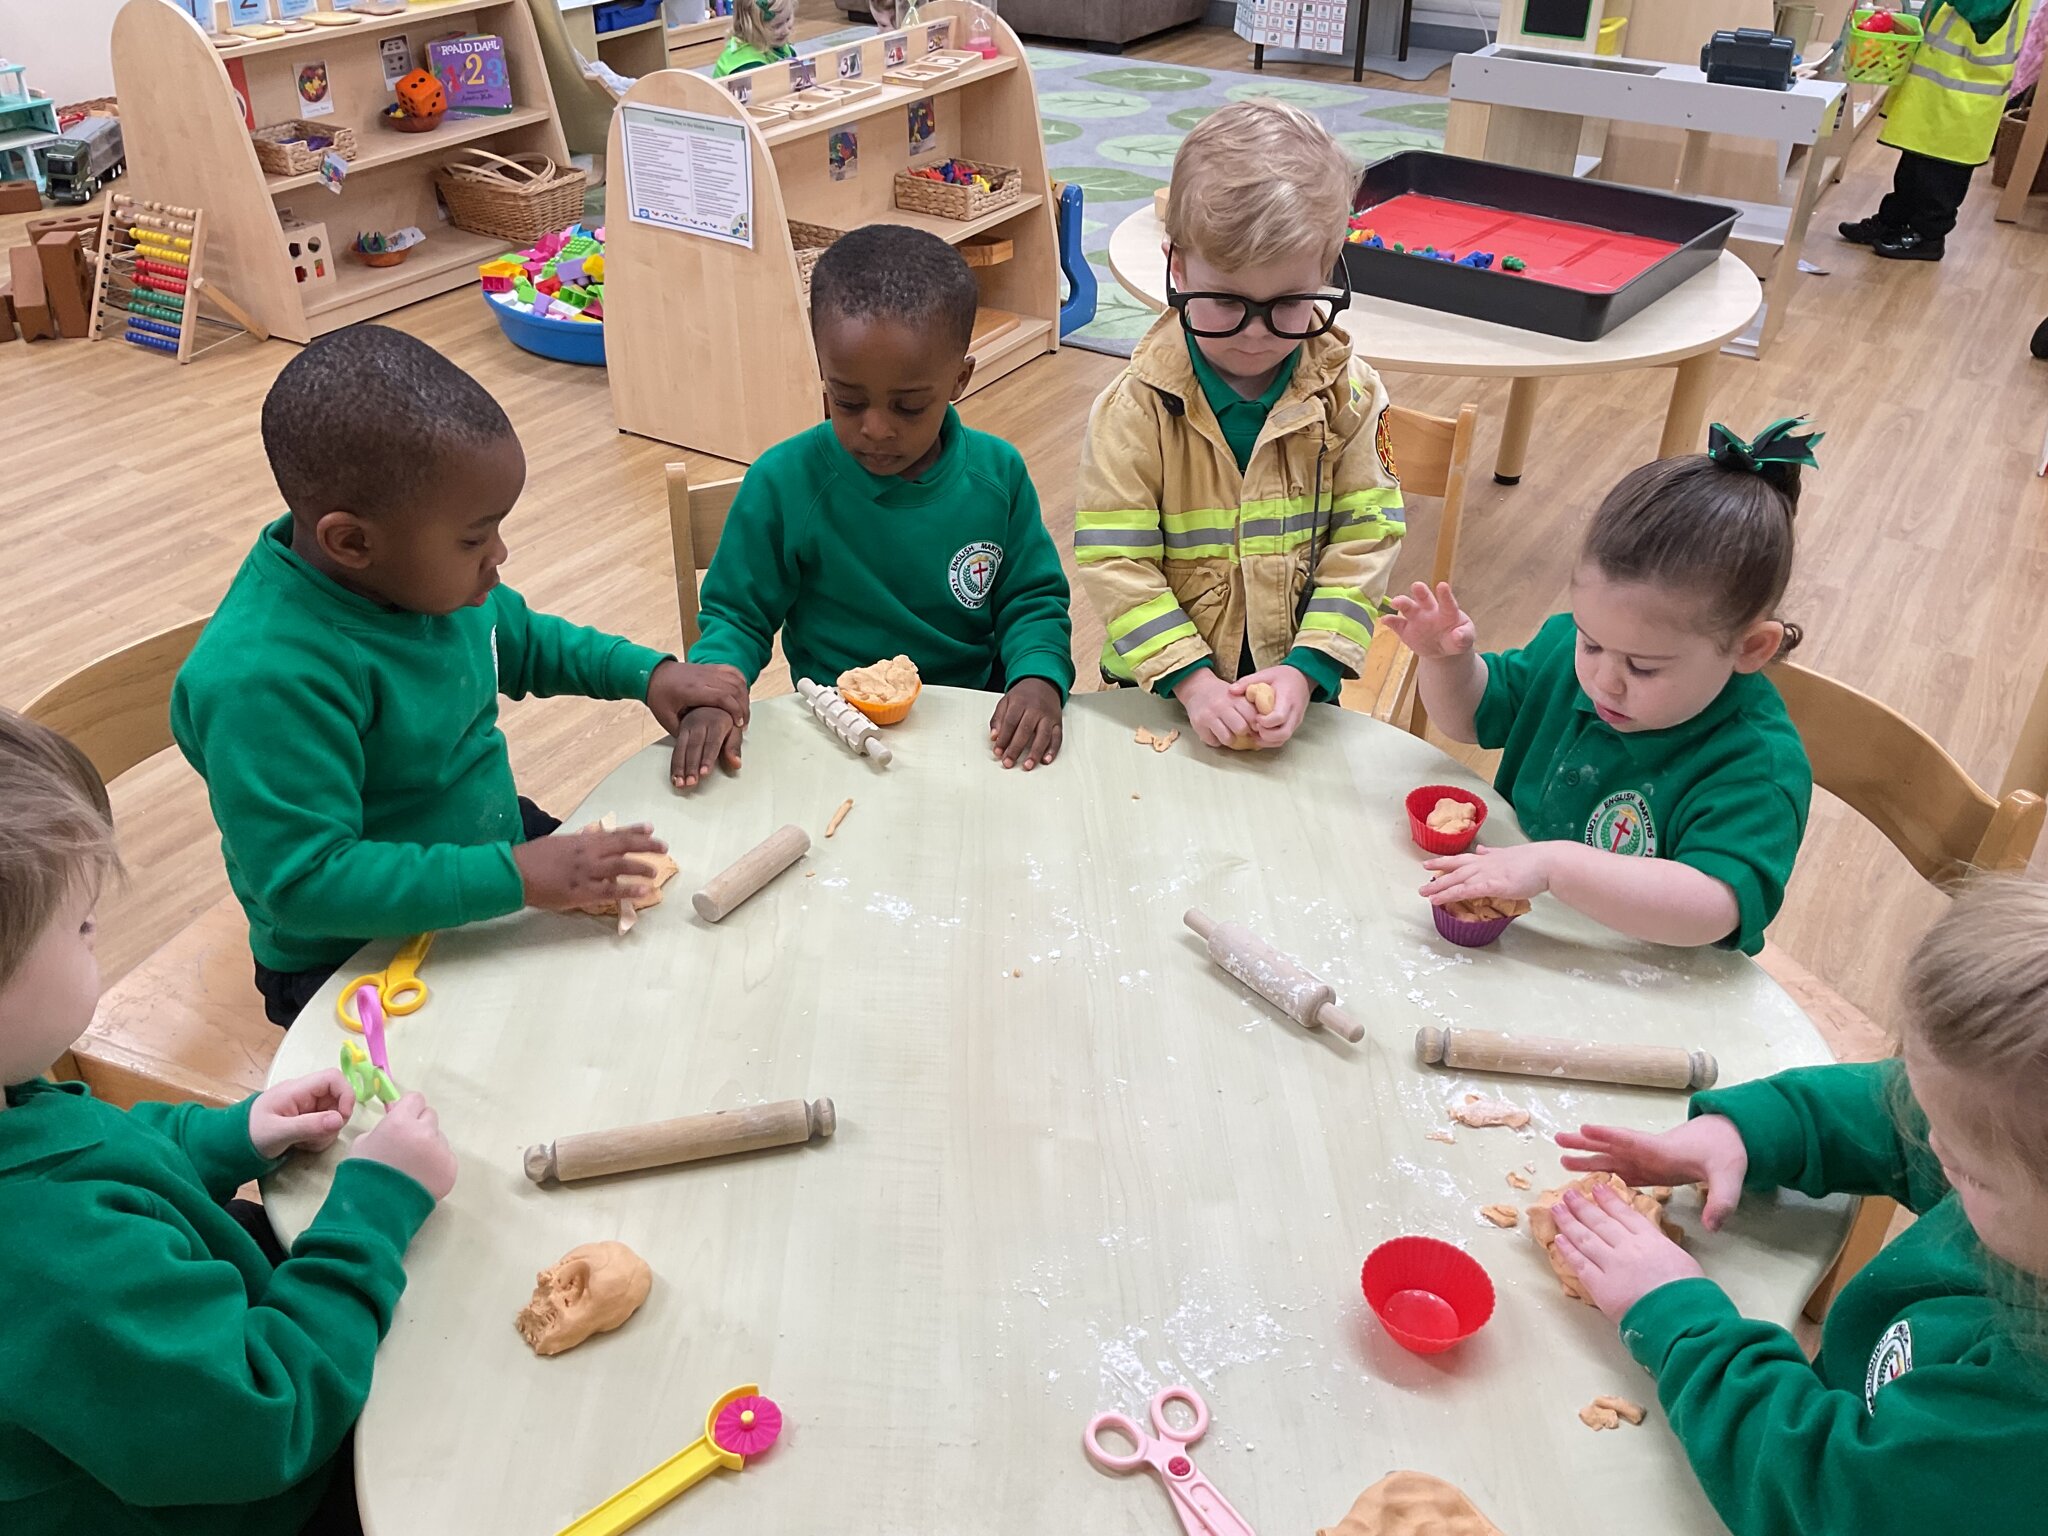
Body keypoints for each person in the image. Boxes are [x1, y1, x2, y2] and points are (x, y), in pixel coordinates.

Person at [172, 325, 748, 1026]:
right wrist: (517, 877)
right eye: (476, 539)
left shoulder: (415, 577)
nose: (499, 555)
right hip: (349, 953)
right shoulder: (261, 680)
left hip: (484, 853)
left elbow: (521, 639)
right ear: (351, 542)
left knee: (650, 969)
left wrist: (648, 674)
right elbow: (305, 881)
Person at [0, 709, 458, 1536]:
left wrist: (234, 1137)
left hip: (193, 1372)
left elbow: (105, 1150)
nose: (96, 929)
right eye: (79, 924)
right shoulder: (45, 1259)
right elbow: (266, 1415)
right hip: (278, 1491)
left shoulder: (13, 1098)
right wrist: (371, 1213)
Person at [1545, 875, 2048, 1536]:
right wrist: (1748, 1132)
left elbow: (1823, 1495)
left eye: (1970, 1172)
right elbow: (1900, 1107)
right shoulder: (2016, 1144)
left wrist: (1679, 1318)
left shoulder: (2017, 1421)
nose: (1934, 1149)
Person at [1384, 420, 1818, 955]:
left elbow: (1712, 909)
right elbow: (1470, 718)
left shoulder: (1755, 765)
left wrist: (1556, 865)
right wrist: (1445, 661)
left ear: (1751, 648)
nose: (1603, 682)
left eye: (1644, 667)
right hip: (1544, 937)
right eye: (1591, 643)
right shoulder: (1567, 648)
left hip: (1656, 979)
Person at [677, 224, 1074, 777]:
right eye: (847, 400)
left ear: (959, 379)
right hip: (836, 733)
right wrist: (712, 693)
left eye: (909, 406)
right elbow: (737, 617)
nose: (876, 430)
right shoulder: (782, 482)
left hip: (979, 730)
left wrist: (1037, 678)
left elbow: (1031, 600)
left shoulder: (997, 474)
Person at [1073, 100, 1404, 752]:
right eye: (1226, 302)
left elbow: (1367, 537)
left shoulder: (1353, 394)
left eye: (1287, 304)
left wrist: (1309, 669)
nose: (1255, 336)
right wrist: (1191, 681)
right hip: (1161, 689)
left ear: (1329, 267)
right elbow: (1117, 558)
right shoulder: (1132, 409)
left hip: (1299, 687)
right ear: (1178, 266)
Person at [1838, 0, 2035, 261]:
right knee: (1913, 168)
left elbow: (1981, 10)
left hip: (1965, 93)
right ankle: (1894, 220)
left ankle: (1927, 236)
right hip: (1937, 88)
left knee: (1941, 176)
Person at [713, 0, 797, 77]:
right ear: (751, 26)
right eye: (777, 26)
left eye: (788, 19)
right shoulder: (748, 64)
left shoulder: (776, 43)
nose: (786, 31)